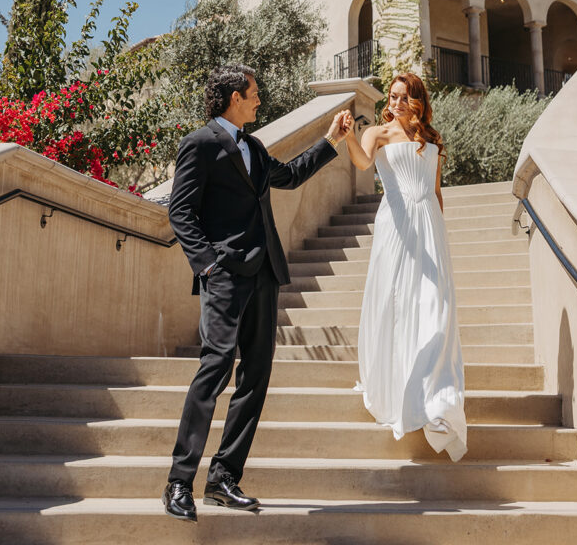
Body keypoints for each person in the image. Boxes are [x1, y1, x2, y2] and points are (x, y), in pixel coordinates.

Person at [162, 63, 348, 521]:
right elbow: (181, 211)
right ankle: (178, 482)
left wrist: (330, 141)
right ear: (233, 97)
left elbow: (288, 176)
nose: (260, 100)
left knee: (256, 376)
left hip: (265, 273)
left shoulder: (255, 146)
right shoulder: (200, 144)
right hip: (223, 274)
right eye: (254, 93)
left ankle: (224, 477)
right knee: (216, 367)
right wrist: (208, 265)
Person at [338, 72, 467, 461]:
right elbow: (363, 164)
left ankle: (437, 401)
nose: (393, 103)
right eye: (390, 97)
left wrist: (441, 239)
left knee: (436, 311)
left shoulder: (432, 140)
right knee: (397, 305)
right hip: (395, 227)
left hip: (429, 228)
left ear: (417, 101)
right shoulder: (377, 134)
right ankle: (401, 389)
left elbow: (437, 191)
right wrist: (346, 136)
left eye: (401, 97)